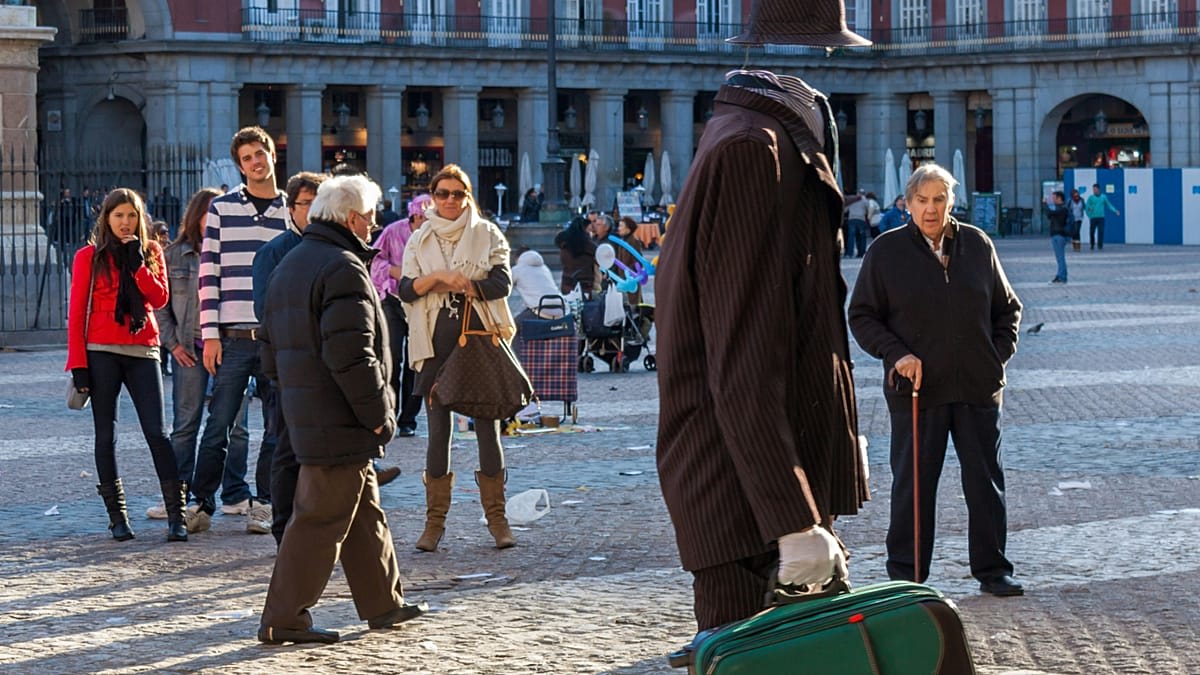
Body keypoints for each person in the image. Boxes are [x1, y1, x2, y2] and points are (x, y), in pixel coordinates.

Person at [655, 6, 871, 630]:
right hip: (745, 500)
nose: (831, 65)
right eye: (828, 48)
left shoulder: (752, 134)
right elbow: (741, 356)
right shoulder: (755, 148)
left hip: (757, 481)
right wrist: (793, 519)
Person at [257, 173, 426, 645]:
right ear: (352, 218)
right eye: (370, 218)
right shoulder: (342, 268)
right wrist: (379, 413)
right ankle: (284, 617)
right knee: (319, 520)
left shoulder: (292, 263)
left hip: (308, 409)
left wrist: (299, 392)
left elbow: (269, 352)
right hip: (339, 416)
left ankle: (383, 602)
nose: (373, 226)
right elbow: (353, 356)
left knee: (363, 511)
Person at [848, 163, 1024, 597]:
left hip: (977, 390)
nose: (932, 209)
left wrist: (991, 360)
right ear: (907, 205)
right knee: (914, 484)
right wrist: (897, 354)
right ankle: (907, 575)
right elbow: (862, 315)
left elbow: (1009, 311)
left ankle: (993, 570)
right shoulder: (886, 251)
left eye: (940, 199)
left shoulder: (978, 245)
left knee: (985, 482)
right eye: (922, 200)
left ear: (951, 202)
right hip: (917, 392)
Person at [398, 164, 518, 552]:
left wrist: (468, 284)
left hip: (479, 341)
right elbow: (405, 289)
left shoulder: (487, 234)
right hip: (433, 347)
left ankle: (497, 521)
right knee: (438, 434)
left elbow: (503, 282)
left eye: (457, 193)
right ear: (432, 197)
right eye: (442, 193)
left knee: (487, 427)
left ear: (468, 197)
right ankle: (434, 524)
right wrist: (436, 280)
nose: (450, 200)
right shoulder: (420, 238)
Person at [65, 188, 188, 543]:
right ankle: (116, 517)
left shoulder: (150, 252)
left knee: (157, 434)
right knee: (106, 435)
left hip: (143, 349)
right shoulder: (89, 256)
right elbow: (76, 315)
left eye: (131, 215)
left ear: (139, 219)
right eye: (118, 215)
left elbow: (159, 298)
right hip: (100, 349)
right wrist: (78, 365)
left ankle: (176, 517)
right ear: (106, 218)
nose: (125, 222)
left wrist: (137, 264)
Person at [186, 126, 290, 535]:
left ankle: (264, 502)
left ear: (272, 154)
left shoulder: (291, 210)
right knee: (218, 426)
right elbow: (208, 274)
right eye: (246, 158)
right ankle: (202, 502)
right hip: (231, 338)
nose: (255, 162)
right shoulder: (222, 209)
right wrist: (209, 334)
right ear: (239, 165)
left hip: (277, 338)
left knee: (275, 429)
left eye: (260, 153)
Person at [148, 188, 255, 522]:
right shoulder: (175, 254)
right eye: (211, 210)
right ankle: (177, 496)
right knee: (186, 424)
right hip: (190, 350)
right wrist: (173, 345)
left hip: (232, 347)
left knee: (236, 426)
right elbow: (160, 307)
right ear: (196, 215)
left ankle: (234, 492)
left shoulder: (236, 250)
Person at [371, 192, 433, 439]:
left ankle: (408, 419)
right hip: (393, 299)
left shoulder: (435, 235)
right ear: (414, 215)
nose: (423, 223)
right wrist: (398, 272)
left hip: (421, 302)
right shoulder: (393, 231)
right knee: (391, 356)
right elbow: (375, 259)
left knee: (415, 361)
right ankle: (390, 413)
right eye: (421, 218)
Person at [509, 246, 562, 326]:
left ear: (518, 258)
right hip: (560, 308)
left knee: (513, 327)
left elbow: (505, 287)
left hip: (540, 310)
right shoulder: (544, 268)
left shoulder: (517, 269)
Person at [554, 216, 597, 295]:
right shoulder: (586, 244)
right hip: (584, 284)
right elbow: (597, 253)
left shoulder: (564, 244)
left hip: (567, 282)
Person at [1085, 183, 1119, 250]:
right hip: (1093, 217)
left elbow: (1109, 205)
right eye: (1093, 189)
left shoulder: (1103, 197)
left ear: (1098, 189)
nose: (1094, 191)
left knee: (1101, 231)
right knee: (1092, 232)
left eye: (1095, 189)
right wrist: (1089, 213)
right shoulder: (1091, 197)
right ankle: (1092, 244)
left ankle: (1100, 245)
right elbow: (1087, 207)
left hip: (1101, 217)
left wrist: (1115, 211)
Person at [1047, 190, 1070, 283]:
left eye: (1054, 198)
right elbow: (1049, 215)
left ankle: (1062, 276)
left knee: (1060, 257)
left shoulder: (1063, 209)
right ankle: (1060, 275)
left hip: (1060, 235)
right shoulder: (1058, 208)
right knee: (1059, 257)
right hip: (1055, 234)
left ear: (1059, 198)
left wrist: (1045, 205)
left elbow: (1050, 214)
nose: (1052, 200)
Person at [843, 188, 870, 257]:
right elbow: (868, 209)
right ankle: (861, 253)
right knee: (861, 237)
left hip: (852, 219)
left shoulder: (852, 200)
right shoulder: (865, 201)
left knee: (851, 237)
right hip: (861, 220)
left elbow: (845, 210)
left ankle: (849, 253)